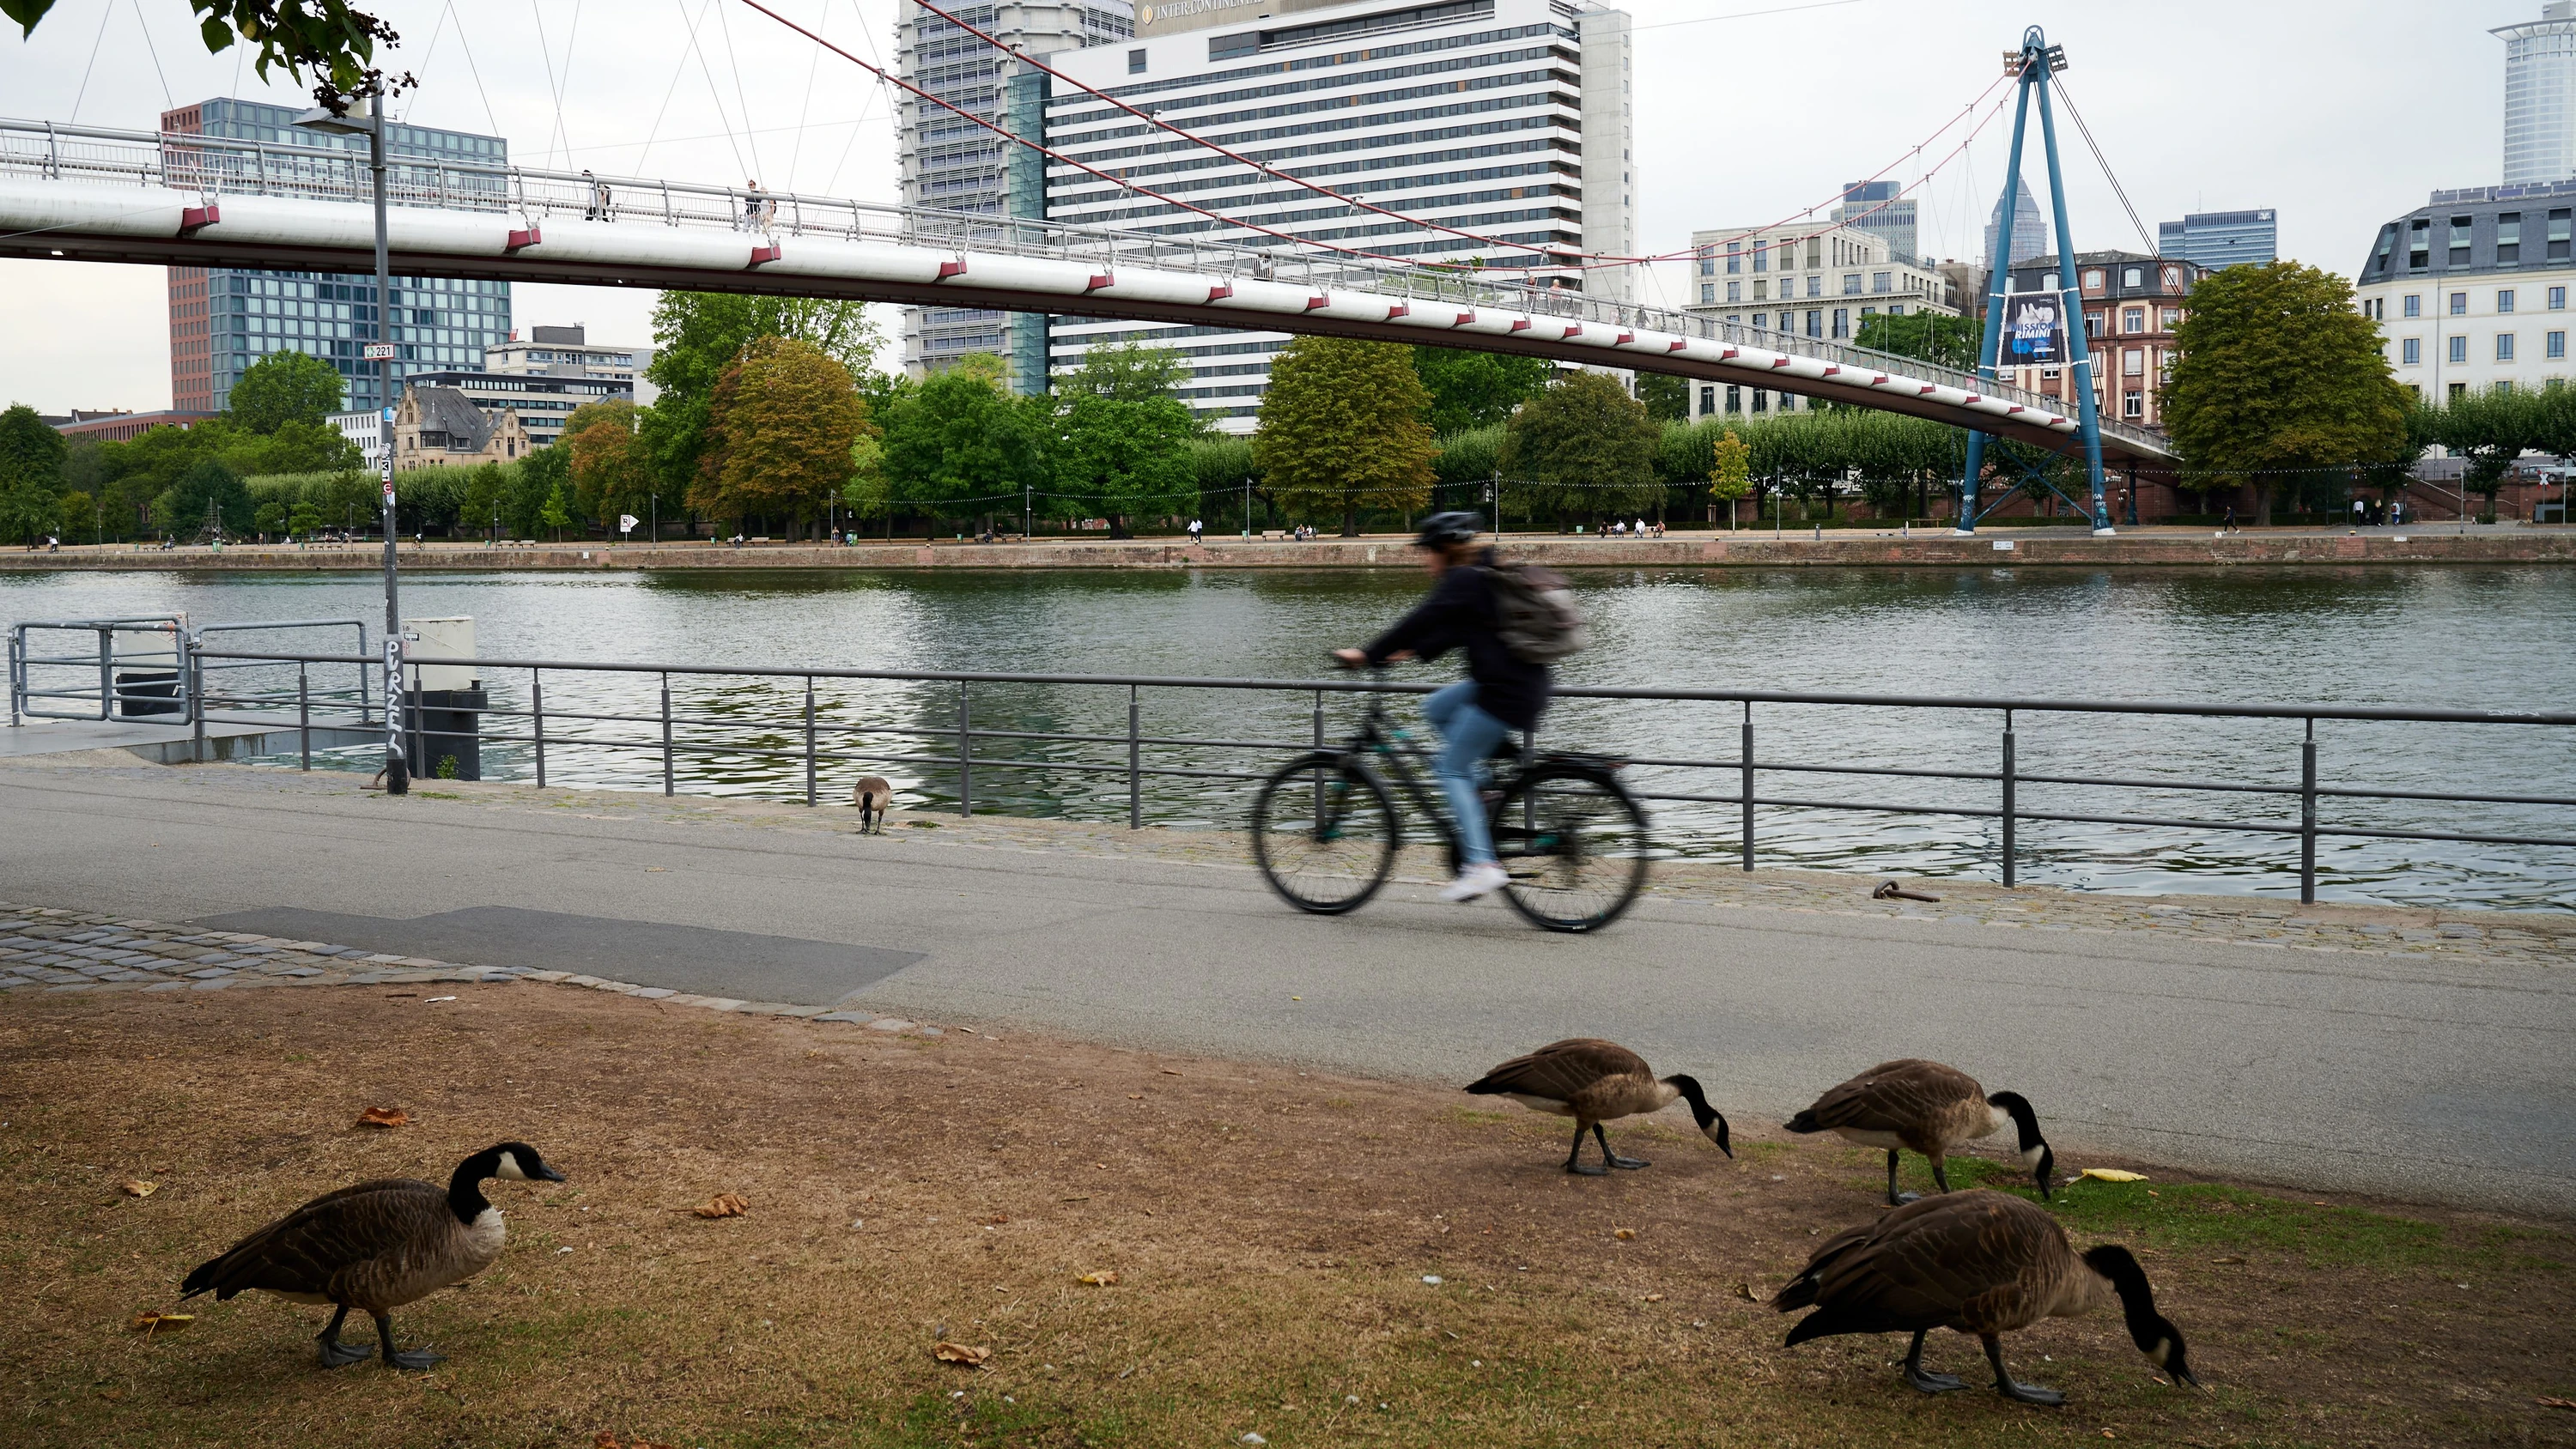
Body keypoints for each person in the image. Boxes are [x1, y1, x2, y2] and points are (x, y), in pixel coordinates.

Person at [1334, 512, 1550, 903]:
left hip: (1506, 691)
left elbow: (1424, 617)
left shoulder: (1464, 577)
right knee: (1435, 708)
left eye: (1427, 553)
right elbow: (1453, 630)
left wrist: (1368, 653)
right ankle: (1482, 787)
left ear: (1444, 551)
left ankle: (1482, 866)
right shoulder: (1479, 575)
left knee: (1449, 767)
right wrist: (1410, 651)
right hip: (1508, 682)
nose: (1424, 561)